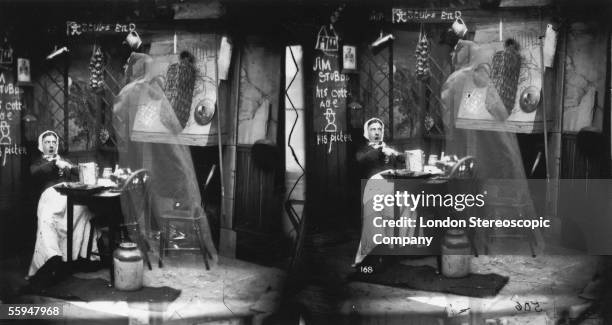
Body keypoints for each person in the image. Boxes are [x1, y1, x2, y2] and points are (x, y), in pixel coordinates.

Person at [27, 130, 100, 285]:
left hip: (68, 197)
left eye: (54, 142)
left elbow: (79, 173)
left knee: (86, 212)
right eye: (47, 142)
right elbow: (34, 173)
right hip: (49, 197)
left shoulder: (63, 160)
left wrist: (69, 166)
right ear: (41, 145)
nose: (51, 145)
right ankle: (52, 257)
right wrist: (54, 163)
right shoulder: (38, 162)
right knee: (47, 219)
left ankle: (85, 257)